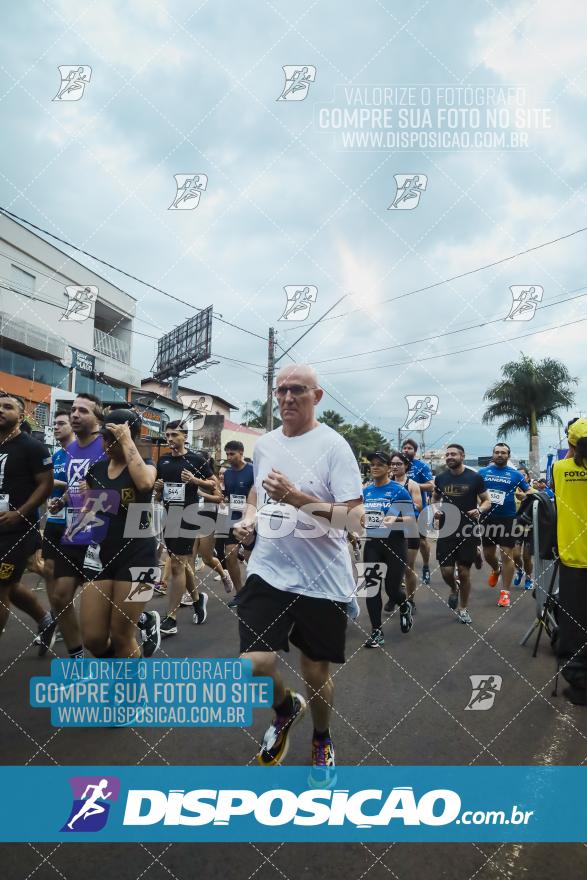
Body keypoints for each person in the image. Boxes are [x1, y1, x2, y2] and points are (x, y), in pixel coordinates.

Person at [234, 364, 363, 780]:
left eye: (298, 391)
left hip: (321, 579)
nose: (288, 398)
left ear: (317, 397)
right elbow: (258, 486)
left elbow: (355, 520)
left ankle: (322, 736)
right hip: (268, 569)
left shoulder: (334, 447)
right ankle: (284, 708)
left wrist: (296, 497)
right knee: (252, 664)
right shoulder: (265, 444)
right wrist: (250, 516)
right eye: (282, 390)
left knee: (314, 672)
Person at [78, 408, 160, 659]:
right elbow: (91, 510)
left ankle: (130, 691)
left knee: (122, 635)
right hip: (101, 555)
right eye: (105, 437)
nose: (106, 443)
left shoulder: (146, 465)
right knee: (93, 639)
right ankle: (120, 674)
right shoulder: (96, 470)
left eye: (113, 438)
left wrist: (126, 440)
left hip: (139, 556)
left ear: (130, 437)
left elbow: (146, 484)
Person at [155, 423, 230, 636]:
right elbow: (160, 495)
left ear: (184, 437)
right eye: (167, 434)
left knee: (178, 565)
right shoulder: (164, 460)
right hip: (169, 516)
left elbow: (214, 486)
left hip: (189, 515)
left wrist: (195, 480)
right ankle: (197, 601)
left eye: (174, 435)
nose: (169, 438)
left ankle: (171, 618)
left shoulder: (196, 460)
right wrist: (158, 490)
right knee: (182, 563)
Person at [48, 394, 107, 659]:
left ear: (98, 417)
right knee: (60, 596)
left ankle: (142, 622)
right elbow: (74, 486)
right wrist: (61, 501)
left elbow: (129, 488)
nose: (75, 414)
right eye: (73, 410)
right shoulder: (70, 451)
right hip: (74, 527)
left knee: (102, 605)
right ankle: (76, 659)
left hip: (101, 530)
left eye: (83, 410)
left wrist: (97, 492)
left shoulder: (107, 446)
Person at [0, 392, 55, 653]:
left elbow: (45, 485)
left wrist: (20, 513)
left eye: (7, 407)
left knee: (1, 587)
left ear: (21, 416)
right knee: (10, 584)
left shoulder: (32, 447)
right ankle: (45, 620)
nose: (1, 410)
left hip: (17, 530)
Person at [432, 444, 491, 624]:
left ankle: (463, 609)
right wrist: (435, 509)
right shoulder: (441, 478)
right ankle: (453, 588)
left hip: (468, 529)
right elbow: (435, 498)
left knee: (464, 572)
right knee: (446, 571)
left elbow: (487, 500)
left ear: (462, 456)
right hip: (447, 529)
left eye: (453, 454)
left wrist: (480, 510)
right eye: (447, 454)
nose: (449, 457)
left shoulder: (475, 477)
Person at [362, 451, 415, 645]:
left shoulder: (398, 490)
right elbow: (360, 514)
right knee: (372, 588)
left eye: (379, 464)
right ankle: (376, 631)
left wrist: (396, 518)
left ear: (388, 468)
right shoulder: (366, 491)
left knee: (392, 589)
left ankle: (404, 604)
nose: (374, 467)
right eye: (372, 464)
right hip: (373, 544)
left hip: (395, 544)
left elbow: (412, 519)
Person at [552, 418, 587, 705]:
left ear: (571, 444)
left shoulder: (560, 468)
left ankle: (581, 684)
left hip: (575, 561)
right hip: (574, 560)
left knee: (575, 627)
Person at [479, 443, 529, 607]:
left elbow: (528, 492)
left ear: (508, 455)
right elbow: (474, 491)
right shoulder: (483, 472)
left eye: (503, 453)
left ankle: (505, 593)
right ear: (492, 454)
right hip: (487, 517)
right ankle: (496, 569)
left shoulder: (515, 475)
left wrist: (523, 496)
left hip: (508, 519)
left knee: (506, 554)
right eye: (497, 452)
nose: (500, 455)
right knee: (488, 554)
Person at [389, 451, 422, 617]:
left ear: (406, 466)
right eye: (393, 464)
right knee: (390, 568)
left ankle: (410, 600)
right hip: (388, 532)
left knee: (408, 568)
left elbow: (418, 506)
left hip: (409, 530)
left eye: (398, 464)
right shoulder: (383, 484)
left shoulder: (412, 484)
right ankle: (394, 594)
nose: (395, 466)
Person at [223, 440, 255, 606]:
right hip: (232, 519)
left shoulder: (253, 471)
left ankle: (257, 591)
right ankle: (240, 593)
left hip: (251, 519)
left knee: (251, 559)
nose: (228, 457)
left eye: (232, 454)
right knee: (229, 554)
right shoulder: (227, 474)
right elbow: (228, 495)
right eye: (227, 453)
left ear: (241, 453)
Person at [401, 439, 434, 584]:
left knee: (422, 541)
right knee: (402, 541)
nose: (406, 450)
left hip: (419, 509)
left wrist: (412, 486)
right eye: (404, 448)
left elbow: (431, 485)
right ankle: (403, 572)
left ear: (415, 451)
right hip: (400, 510)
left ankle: (426, 566)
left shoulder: (421, 466)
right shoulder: (397, 466)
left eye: (409, 448)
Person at [513, 466, 534, 591]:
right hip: (515, 527)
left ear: (528, 477)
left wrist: (526, 497)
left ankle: (528, 577)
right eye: (518, 475)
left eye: (523, 475)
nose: (521, 477)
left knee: (527, 557)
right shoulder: (512, 491)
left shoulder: (533, 491)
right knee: (515, 555)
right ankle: (520, 571)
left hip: (530, 527)